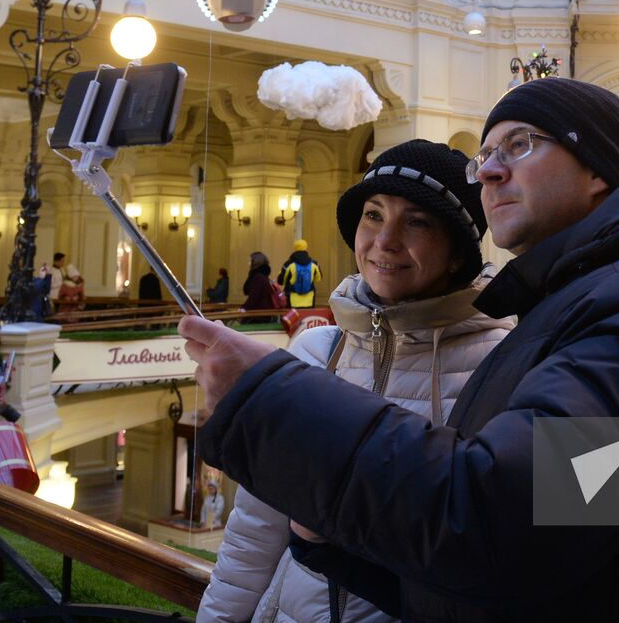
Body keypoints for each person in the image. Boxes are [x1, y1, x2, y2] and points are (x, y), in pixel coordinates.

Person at [181, 78, 619, 623]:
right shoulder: (577, 300)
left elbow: (505, 520)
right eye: (484, 155)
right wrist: (339, 553)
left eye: (519, 145)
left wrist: (272, 400)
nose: (488, 171)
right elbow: (526, 570)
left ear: (597, 169)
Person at [198, 140, 512, 623]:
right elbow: (255, 529)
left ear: (457, 254)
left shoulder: (497, 364)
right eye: (373, 214)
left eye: (417, 221)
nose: (384, 240)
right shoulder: (312, 352)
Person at [277, 239, 320, 309]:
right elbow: (318, 278)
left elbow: (281, 281)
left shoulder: (288, 264)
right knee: (307, 318)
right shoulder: (314, 264)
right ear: (306, 247)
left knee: (293, 319)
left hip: (292, 299)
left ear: (295, 248)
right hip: (309, 299)